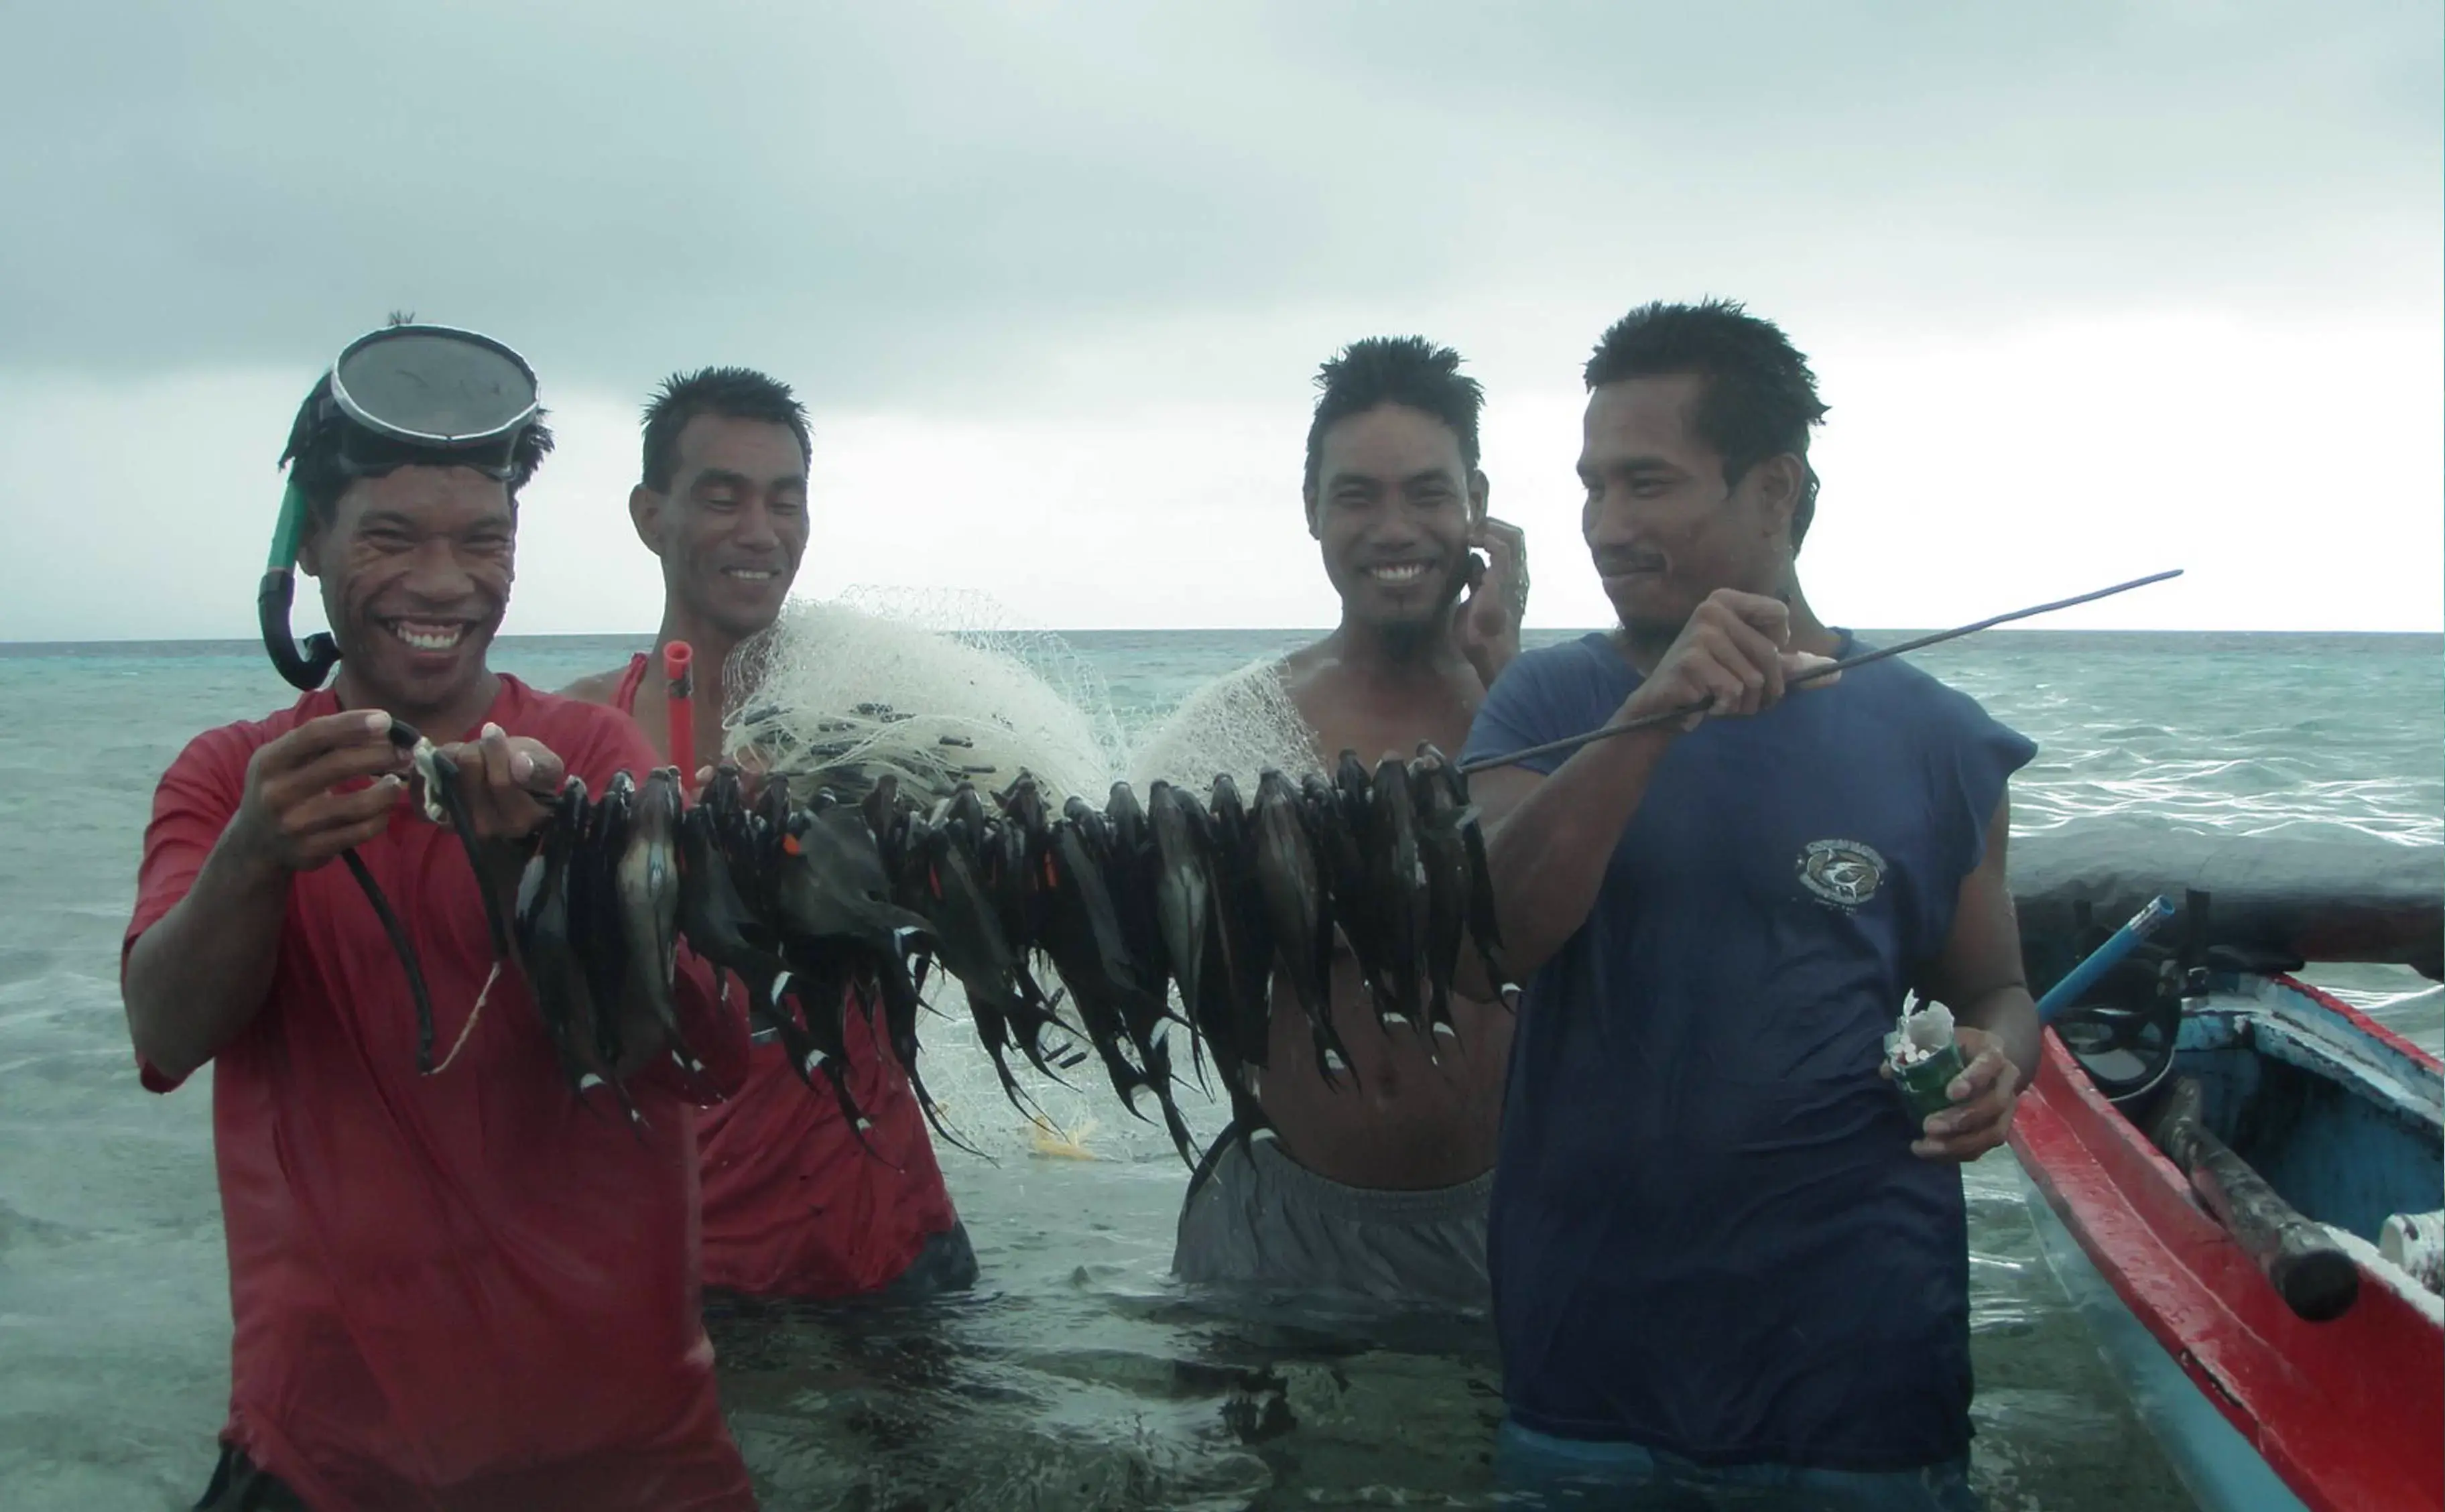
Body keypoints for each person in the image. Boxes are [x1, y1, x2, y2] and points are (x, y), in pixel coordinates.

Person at [122, 323, 758, 1510]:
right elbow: (164, 1030)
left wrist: (546, 873)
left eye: (483, 541)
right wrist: (257, 856)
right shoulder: (230, 780)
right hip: (318, 1466)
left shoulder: (593, 757)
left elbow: (701, 1055)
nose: (444, 582)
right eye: (392, 538)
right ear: (309, 543)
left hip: (629, 1462)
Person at [1460, 299, 2039, 1510]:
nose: (1606, 527)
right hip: (1591, 1368)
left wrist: (1997, 1063)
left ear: (1774, 493)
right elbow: (1498, 937)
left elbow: (1993, 985)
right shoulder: (1541, 707)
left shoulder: (1937, 738)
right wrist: (1647, 720)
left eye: (1648, 485)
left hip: (1864, 1371)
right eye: (1594, 486)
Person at [564, 367, 976, 1301]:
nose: (761, 531)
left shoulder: (877, 725)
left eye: (786, 502)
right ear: (649, 515)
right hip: (688, 1265)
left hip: (898, 1244)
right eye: (724, 497)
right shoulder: (580, 735)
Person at [1135, 335, 1529, 1312]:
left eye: (1428, 493)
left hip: (1518, 1212)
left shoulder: (1557, 707)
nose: (1394, 528)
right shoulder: (1233, 726)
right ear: (1311, 509)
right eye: (1357, 495)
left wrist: (1511, 678)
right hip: (1283, 1218)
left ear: (1476, 501)